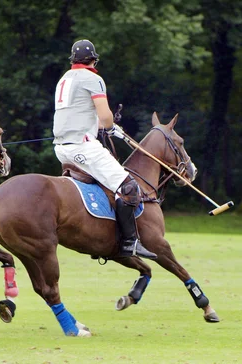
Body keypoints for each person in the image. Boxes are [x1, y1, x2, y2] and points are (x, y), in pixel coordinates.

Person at [52, 39, 156, 260]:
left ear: (73, 59)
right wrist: (109, 125)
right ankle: (129, 243)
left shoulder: (64, 79)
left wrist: (105, 126)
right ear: (93, 59)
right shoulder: (93, 78)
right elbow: (106, 117)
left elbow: (80, 115)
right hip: (82, 147)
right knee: (128, 187)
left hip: (62, 148)